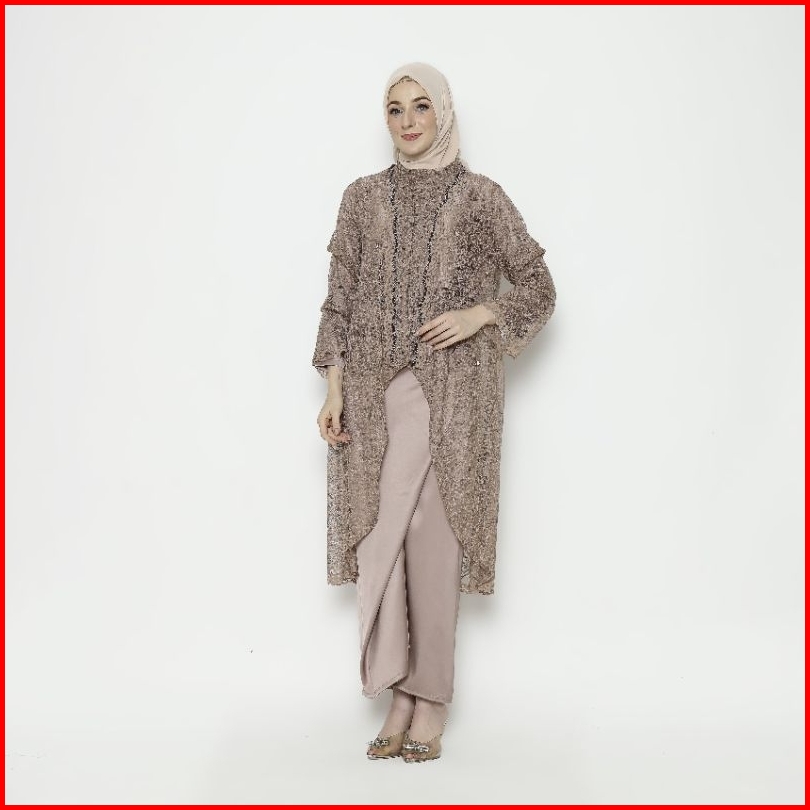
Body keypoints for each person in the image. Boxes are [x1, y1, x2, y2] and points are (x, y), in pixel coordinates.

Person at [312, 62, 556, 763]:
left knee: (434, 540)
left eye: (421, 105)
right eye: (395, 109)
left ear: (443, 112)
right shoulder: (361, 198)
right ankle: (398, 690)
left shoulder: (481, 197)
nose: (409, 120)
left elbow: (538, 284)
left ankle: (431, 698)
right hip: (373, 397)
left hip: (455, 397)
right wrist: (334, 388)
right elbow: (338, 299)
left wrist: (480, 313)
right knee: (383, 536)